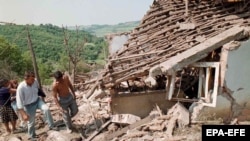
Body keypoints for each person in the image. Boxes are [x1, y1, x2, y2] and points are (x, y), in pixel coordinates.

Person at [16, 70, 58, 140]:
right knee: (31, 122)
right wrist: (23, 114)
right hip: (28, 105)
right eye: (31, 79)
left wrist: (42, 97)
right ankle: (32, 136)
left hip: (37, 100)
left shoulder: (35, 81)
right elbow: (19, 102)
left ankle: (51, 126)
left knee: (46, 109)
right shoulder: (21, 88)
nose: (33, 80)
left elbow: (38, 89)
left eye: (34, 78)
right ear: (26, 79)